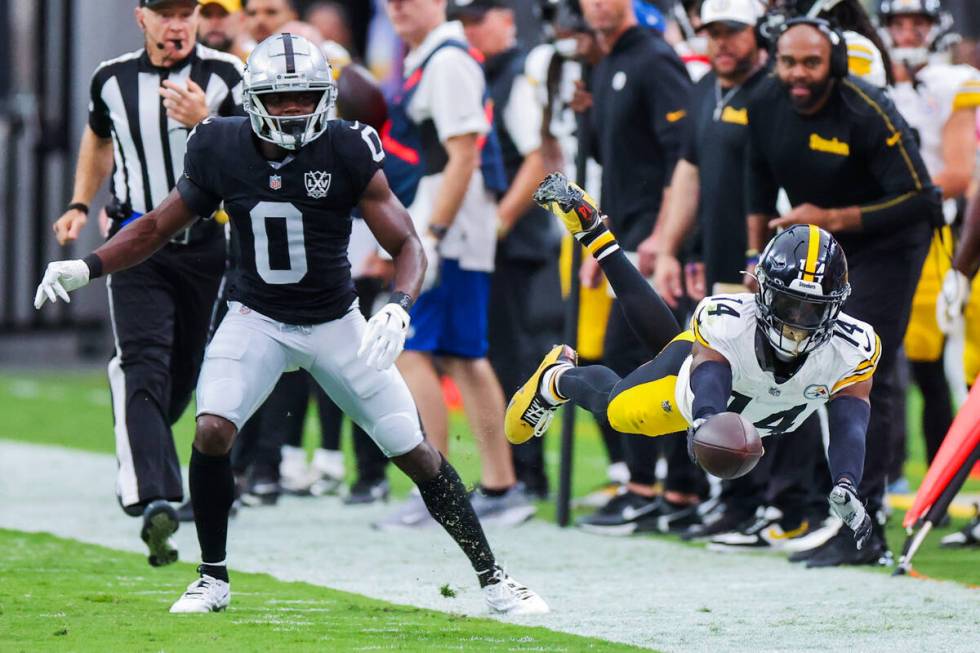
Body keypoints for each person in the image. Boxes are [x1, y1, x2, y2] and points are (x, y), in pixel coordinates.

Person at [33, 32, 548, 616]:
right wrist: (89, 264)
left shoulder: (349, 147)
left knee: (415, 451)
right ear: (253, 100)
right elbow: (155, 226)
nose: (292, 109)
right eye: (278, 99)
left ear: (324, 97)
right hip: (256, 317)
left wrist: (400, 303)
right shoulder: (218, 144)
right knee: (212, 430)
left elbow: (406, 240)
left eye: (303, 97)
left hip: (336, 321)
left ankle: (495, 578)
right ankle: (212, 577)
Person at [506, 172, 878, 551]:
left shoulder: (853, 347)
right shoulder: (731, 322)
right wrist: (705, 419)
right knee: (618, 408)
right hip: (694, 388)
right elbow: (709, 374)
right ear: (762, 290)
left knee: (672, 346)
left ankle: (594, 232)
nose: (796, 323)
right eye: (788, 306)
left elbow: (851, 420)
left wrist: (847, 481)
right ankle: (559, 377)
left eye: (811, 311)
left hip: (731, 387)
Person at [49, 0, 243, 567]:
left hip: (205, 246)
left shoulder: (228, 76)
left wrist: (209, 120)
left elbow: (257, 153)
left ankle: (152, 466)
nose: (178, 24)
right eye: (166, 13)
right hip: (136, 242)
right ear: (142, 19)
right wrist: (81, 202)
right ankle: (155, 498)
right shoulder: (111, 78)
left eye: (187, 12)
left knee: (183, 373)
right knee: (141, 363)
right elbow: (96, 138)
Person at [743, 18, 940, 566]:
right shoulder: (763, 102)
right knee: (787, 357)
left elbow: (922, 198)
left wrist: (830, 217)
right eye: (788, 62)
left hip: (886, 246)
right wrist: (752, 261)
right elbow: (755, 187)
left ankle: (865, 523)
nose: (798, 74)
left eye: (811, 62)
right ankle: (797, 503)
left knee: (857, 367)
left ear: (834, 63)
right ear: (775, 61)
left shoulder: (865, 109)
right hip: (814, 250)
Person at [378, 0, 533, 528]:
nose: (396, 7)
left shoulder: (445, 60)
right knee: (464, 356)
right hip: (454, 223)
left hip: (452, 225)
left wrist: (434, 234)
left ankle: (439, 488)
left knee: (413, 350)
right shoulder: (435, 55)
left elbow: (464, 152)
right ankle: (499, 484)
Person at [572, 0, 696, 534]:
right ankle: (661, 488)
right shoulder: (605, 65)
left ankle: (660, 488)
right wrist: (601, 243)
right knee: (635, 355)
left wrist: (660, 236)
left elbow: (681, 157)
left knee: (652, 359)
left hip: (655, 239)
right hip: (622, 234)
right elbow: (612, 163)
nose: (598, 4)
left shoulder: (653, 60)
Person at [453, 0, 562, 499]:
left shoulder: (517, 73)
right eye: (466, 20)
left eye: (480, 18)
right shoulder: (482, 70)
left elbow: (538, 158)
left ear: (506, 18)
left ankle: (526, 473)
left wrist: (500, 221)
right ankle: (517, 472)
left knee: (513, 359)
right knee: (499, 355)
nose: (473, 28)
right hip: (498, 241)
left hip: (514, 243)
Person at [879, 0, 980, 472]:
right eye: (898, 23)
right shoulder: (871, 82)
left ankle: (945, 473)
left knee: (936, 365)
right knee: (875, 359)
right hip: (879, 237)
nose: (907, 33)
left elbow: (960, 174)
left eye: (917, 23)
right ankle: (891, 469)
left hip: (935, 236)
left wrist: (886, 205)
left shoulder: (951, 82)